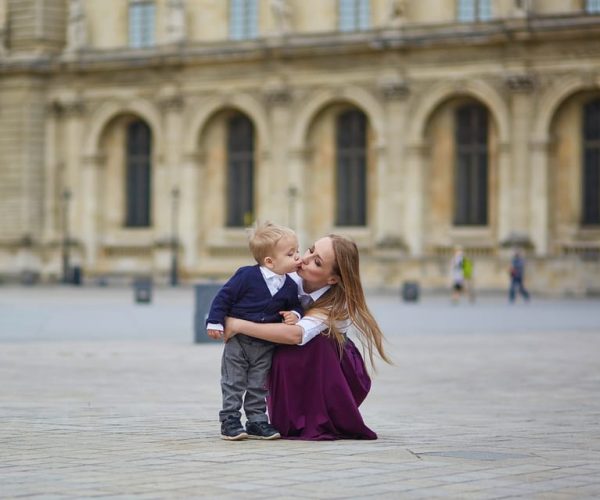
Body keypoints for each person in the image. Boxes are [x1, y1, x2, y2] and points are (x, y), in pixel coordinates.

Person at [224, 234, 391, 441]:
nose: (305, 259)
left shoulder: (338, 305)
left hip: (333, 366)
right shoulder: (288, 275)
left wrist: (238, 325)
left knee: (318, 343)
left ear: (332, 279)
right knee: (271, 352)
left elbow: (296, 335)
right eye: (310, 250)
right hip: (292, 353)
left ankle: (318, 415)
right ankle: (249, 416)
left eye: (317, 262)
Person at [206, 222, 303, 441]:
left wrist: (295, 315)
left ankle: (257, 420)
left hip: (264, 345)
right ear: (270, 261)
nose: (298, 257)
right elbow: (223, 297)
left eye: (297, 251)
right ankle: (230, 420)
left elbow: (296, 305)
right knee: (233, 382)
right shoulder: (246, 276)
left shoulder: (289, 285)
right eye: (291, 254)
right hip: (238, 342)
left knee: (259, 384)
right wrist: (215, 322)